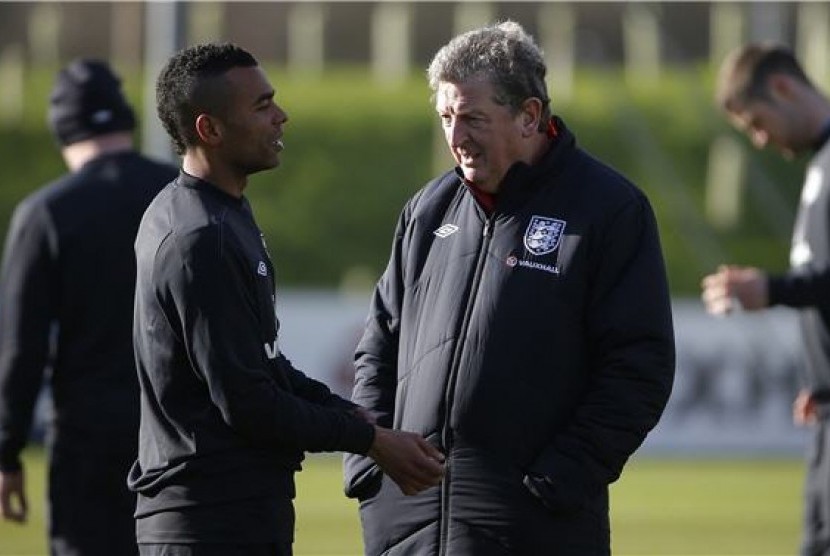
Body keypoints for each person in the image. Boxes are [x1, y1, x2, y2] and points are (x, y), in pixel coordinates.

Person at [344, 21, 675, 556]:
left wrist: (557, 481)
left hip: (531, 523)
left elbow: (640, 366)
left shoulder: (607, 208)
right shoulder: (428, 210)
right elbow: (378, 344)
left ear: (530, 116)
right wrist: (370, 462)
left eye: (473, 117)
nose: (455, 137)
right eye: (446, 117)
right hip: (405, 527)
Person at [128, 42, 444, 556]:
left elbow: (263, 364)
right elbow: (247, 402)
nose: (281, 116)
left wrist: (348, 414)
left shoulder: (219, 214)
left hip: (233, 510)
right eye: (261, 106)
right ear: (210, 129)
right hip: (208, 522)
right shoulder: (199, 238)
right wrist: (369, 441)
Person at [0, 59, 178, 554]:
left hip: (89, 438)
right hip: (182, 435)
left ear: (62, 130)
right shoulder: (180, 195)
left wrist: (7, 452)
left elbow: (22, 347)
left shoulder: (46, 213)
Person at [701, 43, 830, 556]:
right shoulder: (821, 165)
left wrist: (771, 289)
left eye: (756, 122)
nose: (759, 139)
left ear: (782, 87)